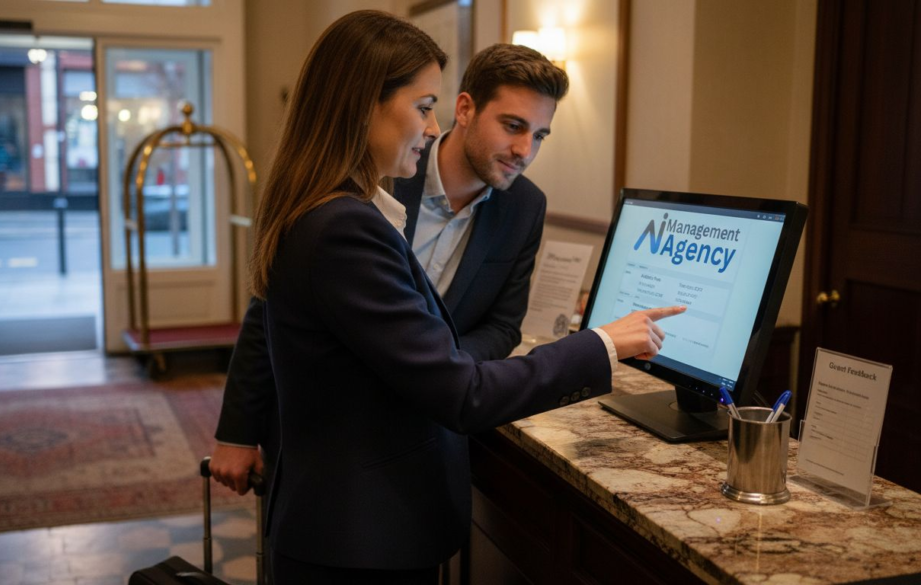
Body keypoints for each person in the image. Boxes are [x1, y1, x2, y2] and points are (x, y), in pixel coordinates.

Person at [218, 10, 682, 582]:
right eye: (422, 106)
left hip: (358, 520)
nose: (432, 126)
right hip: (357, 533)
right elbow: (461, 393)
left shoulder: (340, 211)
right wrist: (601, 343)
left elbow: (485, 333)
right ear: (366, 103)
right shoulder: (346, 226)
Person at [212, 43, 571, 496]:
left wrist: (438, 367)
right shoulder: (386, 166)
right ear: (465, 109)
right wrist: (237, 430)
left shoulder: (525, 206)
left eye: (540, 135)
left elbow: (503, 325)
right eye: (513, 126)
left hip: (427, 436)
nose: (524, 150)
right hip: (328, 436)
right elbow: (270, 305)